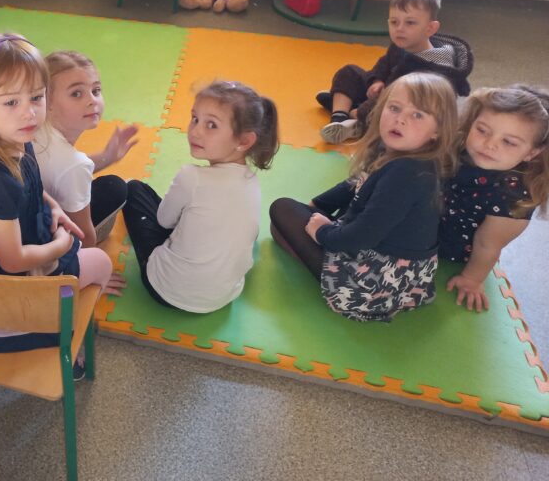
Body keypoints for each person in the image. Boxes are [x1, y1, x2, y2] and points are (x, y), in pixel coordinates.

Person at [0, 29, 113, 353]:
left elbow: (31, 185)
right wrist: (60, 246)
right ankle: (67, 335)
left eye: (36, 97)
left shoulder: (12, 136)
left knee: (87, 254)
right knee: (102, 263)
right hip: (6, 292)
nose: (29, 112)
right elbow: (13, 260)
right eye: (11, 102)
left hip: (22, 246)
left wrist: (54, 206)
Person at [270, 72, 459, 323]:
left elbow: (362, 236)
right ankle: (317, 249)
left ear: (437, 131)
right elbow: (355, 183)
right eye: (394, 108)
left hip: (374, 283)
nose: (400, 119)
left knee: (281, 209)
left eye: (417, 115)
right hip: (401, 270)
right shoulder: (397, 150)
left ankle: (327, 272)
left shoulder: (406, 173)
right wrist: (317, 205)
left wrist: (321, 233)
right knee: (285, 223)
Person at [122, 80, 279, 313]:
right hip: (224, 295)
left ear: (244, 141)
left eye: (211, 125)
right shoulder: (251, 181)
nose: (195, 131)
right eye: (195, 119)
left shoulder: (190, 176)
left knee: (134, 189)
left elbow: (164, 221)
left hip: (167, 290)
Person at [316, 0, 472, 144]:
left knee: (384, 105)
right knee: (349, 72)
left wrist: (361, 111)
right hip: (386, 91)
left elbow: (403, 100)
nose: (399, 29)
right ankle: (339, 117)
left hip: (405, 110)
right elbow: (385, 62)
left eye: (410, 23)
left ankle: (355, 119)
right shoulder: (404, 43)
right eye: (394, 22)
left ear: (430, 28)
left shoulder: (432, 67)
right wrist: (377, 80)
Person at [441, 85, 549, 311]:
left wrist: (471, 279)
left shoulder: (513, 197)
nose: (490, 144)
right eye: (482, 130)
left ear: (531, 153)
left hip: (450, 246)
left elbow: (487, 245)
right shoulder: (465, 146)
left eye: (508, 142)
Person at [35, 50, 136, 247]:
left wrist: (108, 156)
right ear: (47, 101)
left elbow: (63, 171)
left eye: (96, 91)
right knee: (116, 188)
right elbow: (83, 237)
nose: (92, 100)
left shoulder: (31, 127)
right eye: (76, 93)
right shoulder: (74, 165)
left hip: (25, 222)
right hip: (45, 240)